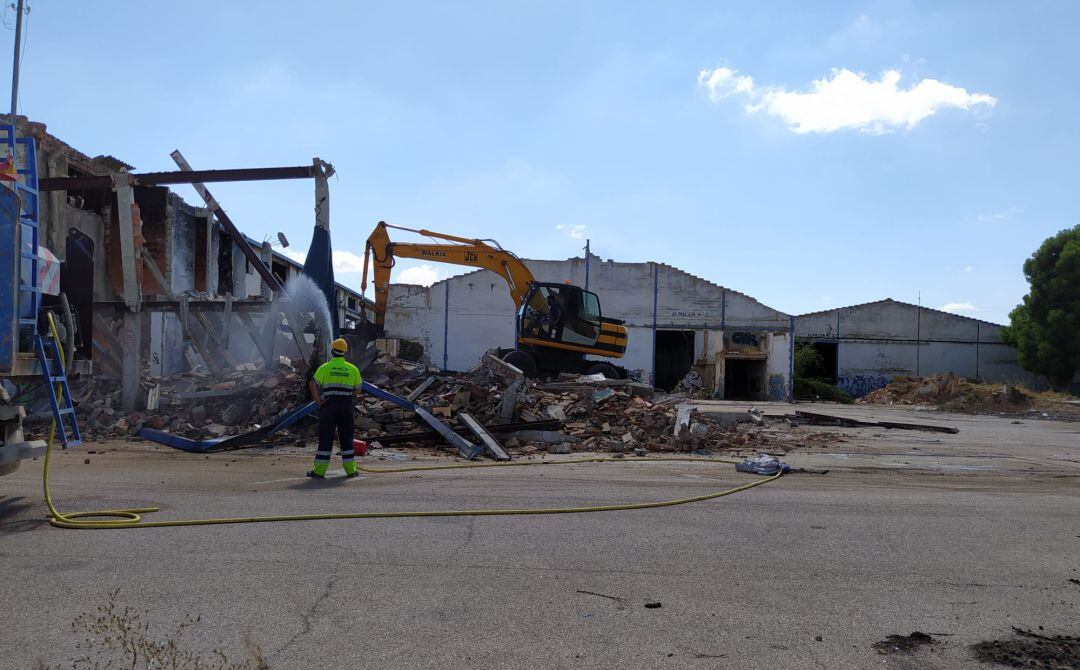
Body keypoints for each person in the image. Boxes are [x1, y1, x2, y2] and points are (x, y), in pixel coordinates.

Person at [307, 338, 363, 478]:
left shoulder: (325, 367)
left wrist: (319, 401)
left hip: (329, 405)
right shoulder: (353, 368)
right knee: (347, 437)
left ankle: (319, 471)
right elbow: (358, 389)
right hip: (346, 405)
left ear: (332, 352)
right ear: (344, 352)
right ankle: (350, 470)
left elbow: (312, 384)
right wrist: (349, 395)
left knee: (326, 437)